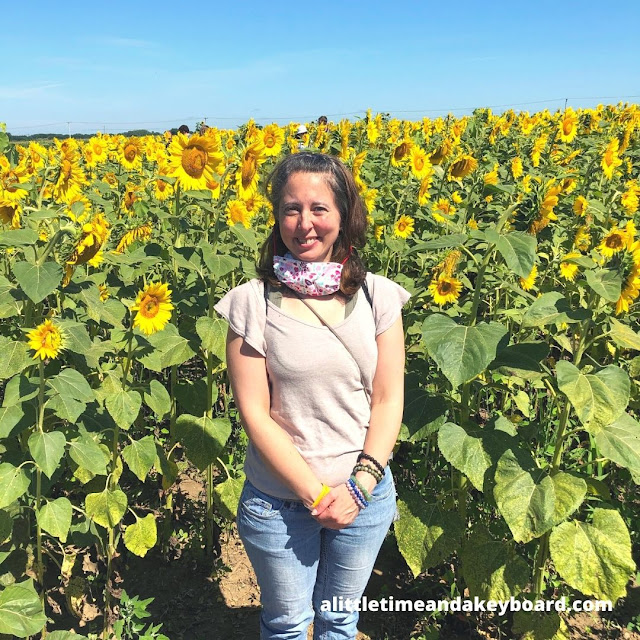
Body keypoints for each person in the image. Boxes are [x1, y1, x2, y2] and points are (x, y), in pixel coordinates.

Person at [214, 152, 410, 640]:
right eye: (290, 209)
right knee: (286, 625)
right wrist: (318, 495)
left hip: (363, 498)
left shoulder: (378, 297)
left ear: (343, 215)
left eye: (319, 208)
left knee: (340, 620)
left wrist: (358, 488)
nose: (304, 224)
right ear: (277, 216)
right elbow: (254, 415)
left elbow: (388, 399)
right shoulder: (250, 303)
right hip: (280, 503)